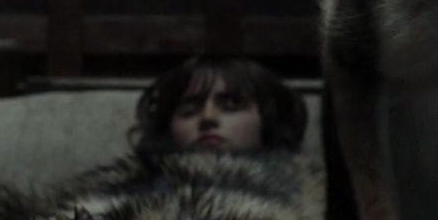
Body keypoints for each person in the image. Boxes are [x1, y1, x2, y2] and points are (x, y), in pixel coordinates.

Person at [130, 55, 308, 156]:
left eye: (231, 104)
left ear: (267, 118)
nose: (208, 117)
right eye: (189, 109)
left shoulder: (309, 197)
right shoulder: (128, 199)